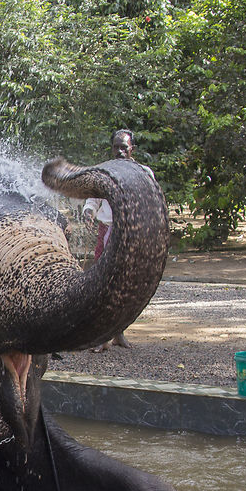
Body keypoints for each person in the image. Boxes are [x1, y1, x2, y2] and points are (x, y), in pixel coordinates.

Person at [81, 129, 149, 353]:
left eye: (124, 147)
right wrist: (89, 211)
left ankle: (118, 331)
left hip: (131, 235)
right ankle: (103, 334)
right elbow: (93, 199)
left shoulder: (144, 173)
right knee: (103, 283)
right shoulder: (105, 172)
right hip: (108, 230)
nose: (120, 151)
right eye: (116, 147)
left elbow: (150, 204)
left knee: (126, 285)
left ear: (133, 150)